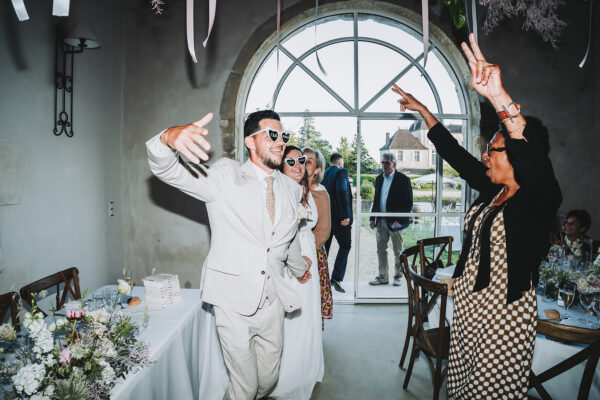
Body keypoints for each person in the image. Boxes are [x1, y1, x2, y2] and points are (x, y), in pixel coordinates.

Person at [392, 33, 561, 399]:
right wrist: (424, 113)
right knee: (463, 389)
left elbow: (535, 165)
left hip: (503, 317)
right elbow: (454, 153)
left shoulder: (538, 201)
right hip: (468, 310)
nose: (485, 156)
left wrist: (499, 98)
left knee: (489, 391)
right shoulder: (492, 191)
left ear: (516, 155)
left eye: (493, 150)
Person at [146, 110, 311, 400]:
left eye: (283, 136)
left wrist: (299, 267)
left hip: (273, 301)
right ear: (250, 141)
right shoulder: (225, 175)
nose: (280, 141)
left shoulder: (292, 188)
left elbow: (287, 238)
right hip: (233, 302)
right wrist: (167, 138)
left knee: (268, 380)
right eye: (271, 134)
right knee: (244, 387)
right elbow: (169, 171)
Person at [270, 146, 324, 400]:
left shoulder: (304, 190)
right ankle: (288, 377)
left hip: (309, 254)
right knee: (291, 319)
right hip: (293, 260)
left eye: (301, 160)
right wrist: (298, 264)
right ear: (280, 165)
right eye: (290, 160)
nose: (298, 164)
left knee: (309, 316)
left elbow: (313, 225)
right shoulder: (278, 191)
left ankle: (307, 368)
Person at [368, 152, 413, 286]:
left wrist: (399, 219)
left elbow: (408, 202)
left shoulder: (403, 179)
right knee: (381, 249)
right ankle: (383, 277)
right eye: (383, 162)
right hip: (381, 221)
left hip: (396, 222)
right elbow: (376, 200)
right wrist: (372, 218)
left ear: (394, 164)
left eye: (387, 162)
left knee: (398, 250)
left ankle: (398, 276)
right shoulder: (379, 179)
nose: (384, 165)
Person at [303, 147, 333, 326]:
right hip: (293, 254)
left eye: (308, 162)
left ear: (317, 170)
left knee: (310, 299)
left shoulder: (319, 194)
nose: (303, 164)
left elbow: (323, 231)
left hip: (311, 253)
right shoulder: (295, 188)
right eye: (301, 160)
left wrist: (304, 252)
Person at [321, 152, 353, 293]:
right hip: (340, 219)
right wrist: (346, 215)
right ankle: (336, 278)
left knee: (324, 249)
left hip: (325, 218)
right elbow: (342, 190)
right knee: (345, 245)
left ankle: (321, 278)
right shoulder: (342, 172)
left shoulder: (324, 174)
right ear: (340, 163)